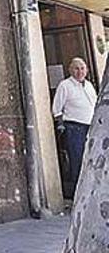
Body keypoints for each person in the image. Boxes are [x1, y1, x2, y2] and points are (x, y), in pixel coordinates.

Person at [53, 57, 98, 187]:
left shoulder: (89, 85)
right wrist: (60, 124)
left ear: (87, 70)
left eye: (82, 68)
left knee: (90, 160)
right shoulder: (65, 85)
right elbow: (57, 109)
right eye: (76, 68)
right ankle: (77, 192)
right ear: (70, 70)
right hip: (74, 128)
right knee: (77, 161)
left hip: (90, 127)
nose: (80, 71)